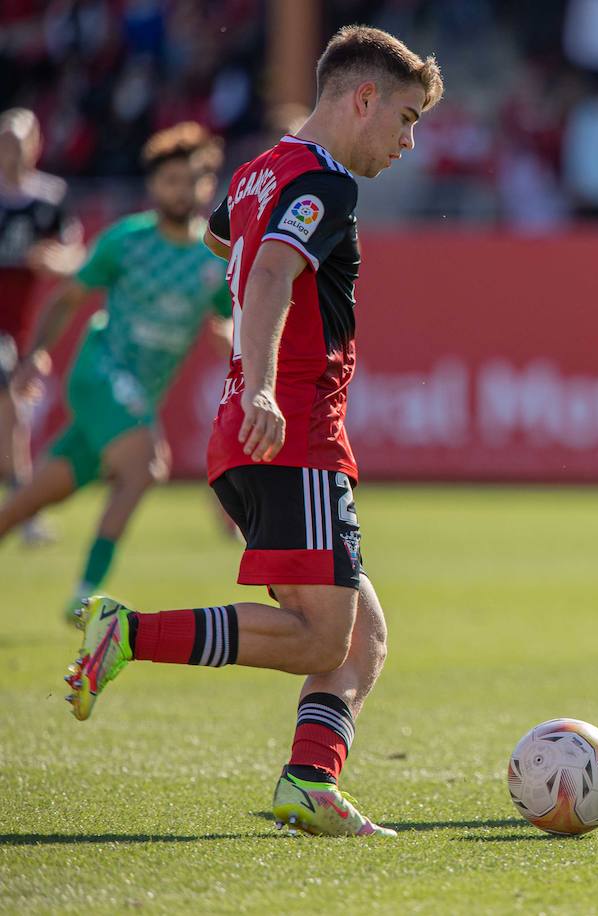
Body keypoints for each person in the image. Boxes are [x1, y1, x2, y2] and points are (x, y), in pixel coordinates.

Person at [63, 26, 444, 838]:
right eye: (406, 118)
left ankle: (309, 782)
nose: (409, 142)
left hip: (250, 431)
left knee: (360, 635)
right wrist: (266, 383)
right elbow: (268, 270)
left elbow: (222, 244)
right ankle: (126, 632)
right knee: (321, 638)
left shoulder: (254, 173)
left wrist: (252, 372)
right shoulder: (326, 183)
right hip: (291, 430)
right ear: (362, 98)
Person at [0, 123, 233, 611]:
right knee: (146, 465)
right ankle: (85, 596)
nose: (180, 190)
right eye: (170, 180)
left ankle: (81, 589)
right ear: (153, 186)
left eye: (191, 180)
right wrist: (36, 354)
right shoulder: (126, 240)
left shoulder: (213, 259)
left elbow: (227, 320)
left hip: (135, 398)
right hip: (98, 373)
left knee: (34, 498)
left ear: (208, 185)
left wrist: (225, 337)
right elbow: (69, 298)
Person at [0, 108, 84, 545]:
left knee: (12, 413)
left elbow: (75, 255)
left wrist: (56, 260)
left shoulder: (48, 197)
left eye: (19, 142)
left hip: (24, 325)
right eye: (5, 142)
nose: (11, 152)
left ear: (35, 146)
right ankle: (23, 509)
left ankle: (22, 506)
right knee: (11, 410)